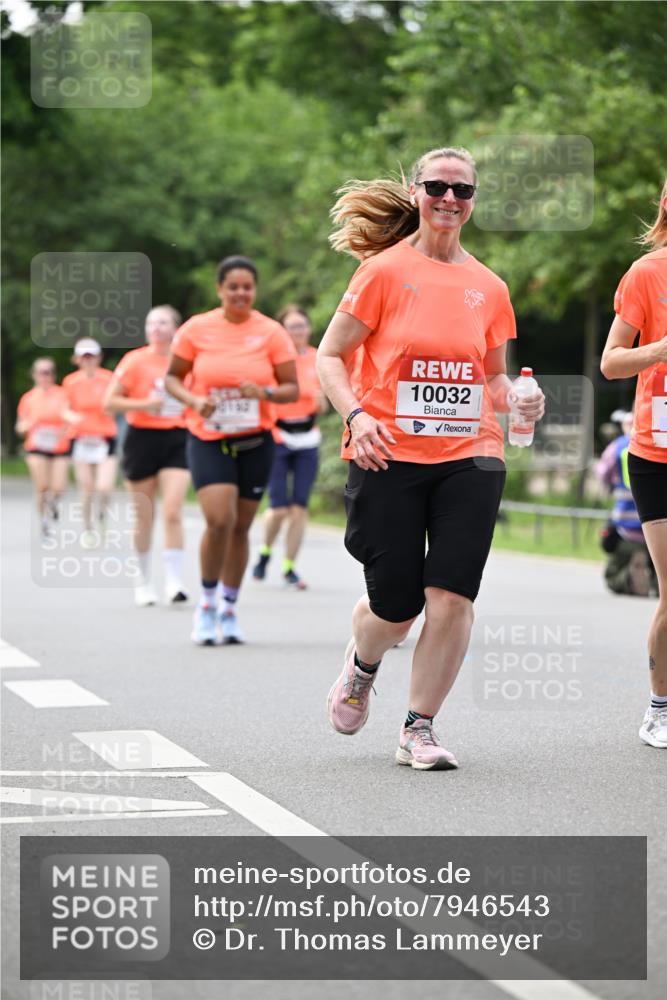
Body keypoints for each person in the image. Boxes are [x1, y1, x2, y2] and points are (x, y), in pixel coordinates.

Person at [317, 145, 545, 770]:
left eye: (462, 190)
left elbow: (491, 379)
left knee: (452, 595)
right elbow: (330, 356)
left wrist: (519, 400)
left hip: (471, 455)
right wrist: (356, 415)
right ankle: (362, 664)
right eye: (438, 186)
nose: (449, 198)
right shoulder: (383, 272)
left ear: (473, 201)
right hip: (387, 453)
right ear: (418, 192)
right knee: (396, 608)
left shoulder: (490, 287)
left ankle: (418, 728)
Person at [165, 255, 298, 645]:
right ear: (219, 289)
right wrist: (194, 399)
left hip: (256, 440)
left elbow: (292, 389)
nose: (241, 293)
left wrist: (265, 392)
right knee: (219, 520)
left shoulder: (271, 332)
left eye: (247, 287)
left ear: (255, 290)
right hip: (209, 437)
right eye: (233, 287)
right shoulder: (196, 329)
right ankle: (206, 605)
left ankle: (229, 606)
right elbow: (171, 378)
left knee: (241, 527)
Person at [600, 177, 667, 749]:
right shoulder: (647, 273)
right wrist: (662, 349)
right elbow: (611, 361)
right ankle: (659, 709)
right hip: (658, 451)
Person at [104, 306, 191, 607]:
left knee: (173, 510)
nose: (156, 328)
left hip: (177, 437)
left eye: (163, 322)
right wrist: (145, 404)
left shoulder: (186, 361)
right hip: (141, 438)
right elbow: (109, 402)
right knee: (144, 515)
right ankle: (142, 581)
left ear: (175, 328)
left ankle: (174, 581)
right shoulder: (135, 360)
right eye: (151, 322)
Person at [252, 305, 327, 589]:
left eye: (301, 326)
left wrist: (322, 402)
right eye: (291, 327)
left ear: (309, 328)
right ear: (282, 331)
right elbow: (264, 396)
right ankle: (265, 552)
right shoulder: (274, 360)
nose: (298, 331)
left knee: (299, 508)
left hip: (308, 437)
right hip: (278, 437)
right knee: (279, 508)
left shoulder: (319, 357)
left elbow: (323, 403)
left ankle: (289, 567)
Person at [63, 338, 118, 547]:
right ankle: (87, 529)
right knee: (86, 488)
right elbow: (64, 408)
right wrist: (71, 417)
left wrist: (112, 408)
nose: (88, 361)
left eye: (91, 356)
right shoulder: (70, 381)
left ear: (99, 358)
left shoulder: (109, 378)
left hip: (105, 438)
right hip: (81, 439)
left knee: (104, 487)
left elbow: (117, 402)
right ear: (77, 359)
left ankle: (102, 515)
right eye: (84, 357)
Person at [597, 410, 655, 597]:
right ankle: (654, 581)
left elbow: (602, 474)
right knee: (661, 573)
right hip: (657, 525)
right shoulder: (657, 443)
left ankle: (628, 576)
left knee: (612, 576)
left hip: (626, 525)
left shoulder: (617, 447)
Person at [16, 358, 73, 540]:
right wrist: (28, 425)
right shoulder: (28, 398)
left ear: (54, 374)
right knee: (42, 486)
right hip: (37, 446)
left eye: (48, 372)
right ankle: (44, 522)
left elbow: (69, 418)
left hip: (59, 446)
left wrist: (66, 428)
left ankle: (53, 504)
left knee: (58, 487)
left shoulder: (62, 394)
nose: (45, 376)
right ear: (34, 375)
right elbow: (20, 427)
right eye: (42, 372)